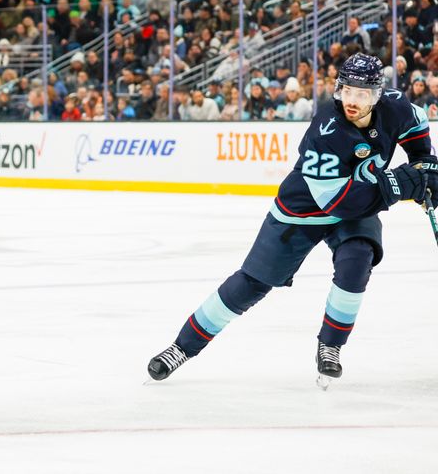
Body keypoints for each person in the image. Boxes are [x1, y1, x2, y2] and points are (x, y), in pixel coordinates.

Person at [147, 54, 438, 387]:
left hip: (357, 204)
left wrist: (423, 165)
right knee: (251, 284)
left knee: (358, 259)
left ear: (377, 95)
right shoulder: (325, 130)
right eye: (347, 91)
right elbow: (338, 201)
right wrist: (400, 186)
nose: (352, 101)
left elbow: (416, 128)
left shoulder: (396, 106)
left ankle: (330, 345)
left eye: (361, 94)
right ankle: (181, 347)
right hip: (302, 211)